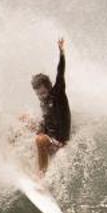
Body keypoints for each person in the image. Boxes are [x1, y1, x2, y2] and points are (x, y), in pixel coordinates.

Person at [29, 37, 70, 176]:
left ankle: (42, 175)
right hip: (50, 136)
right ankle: (9, 153)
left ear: (49, 87)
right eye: (38, 94)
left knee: (40, 140)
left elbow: (60, 74)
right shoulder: (43, 101)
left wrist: (62, 53)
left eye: (43, 93)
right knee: (24, 119)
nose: (41, 96)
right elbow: (48, 120)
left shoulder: (57, 94)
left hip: (60, 141)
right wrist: (39, 127)